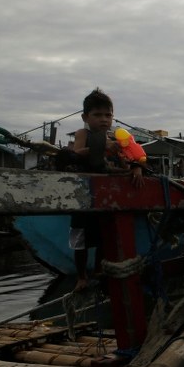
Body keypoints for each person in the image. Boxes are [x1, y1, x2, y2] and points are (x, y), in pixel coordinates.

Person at [68, 88, 144, 291]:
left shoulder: (118, 139)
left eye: (108, 115)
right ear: (85, 117)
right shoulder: (83, 133)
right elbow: (77, 154)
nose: (103, 119)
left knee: (103, 236)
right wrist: (102, 147)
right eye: (97, 115)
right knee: (81, 241)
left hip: (106, 197)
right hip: (84, 196)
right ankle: (82, 277)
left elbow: (131, 157)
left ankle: (100, 270)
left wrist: (136, 167)